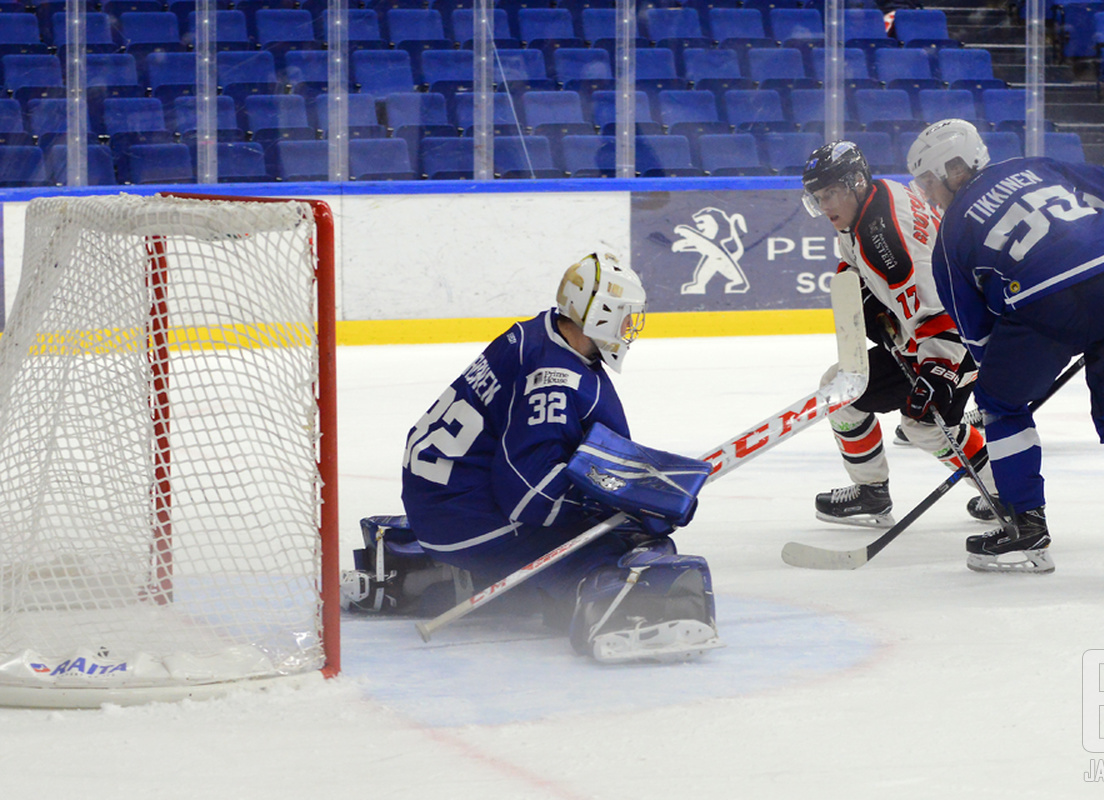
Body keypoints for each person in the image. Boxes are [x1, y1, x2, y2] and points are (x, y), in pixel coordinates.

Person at [345, 253, 723, 663]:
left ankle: (439, 571)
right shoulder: (554, 379)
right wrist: (619, 501)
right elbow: (529, 495)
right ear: (600, 314)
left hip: (442, 501)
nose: (630, 329)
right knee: (623, 544)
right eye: (626, 317)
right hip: (461, 518)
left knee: (619, 526)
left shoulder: (535, 336)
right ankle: (613, 602)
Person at [906, 118, 1104, 580]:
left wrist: (1009, 387)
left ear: (946, 173)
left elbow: (980, 341)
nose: (928, 195)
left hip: (1049, 302)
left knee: (999, 402)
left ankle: (1027, 525)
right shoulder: (1036, 166)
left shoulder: (951, 238)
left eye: (927, 183)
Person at [800, 141, 1000, 529]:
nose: (824, 206)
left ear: (855, 183)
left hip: (960, 338)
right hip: (936, 331)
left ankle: (1008, 494)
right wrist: (868, 296)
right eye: (818, 197)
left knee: (923, 425)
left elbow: (938, 307)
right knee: (843, 392)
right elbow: (855, 261)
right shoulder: (881, 193)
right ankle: (872, 494)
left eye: (830, 194)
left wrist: (939, 371)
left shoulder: (887, 240)